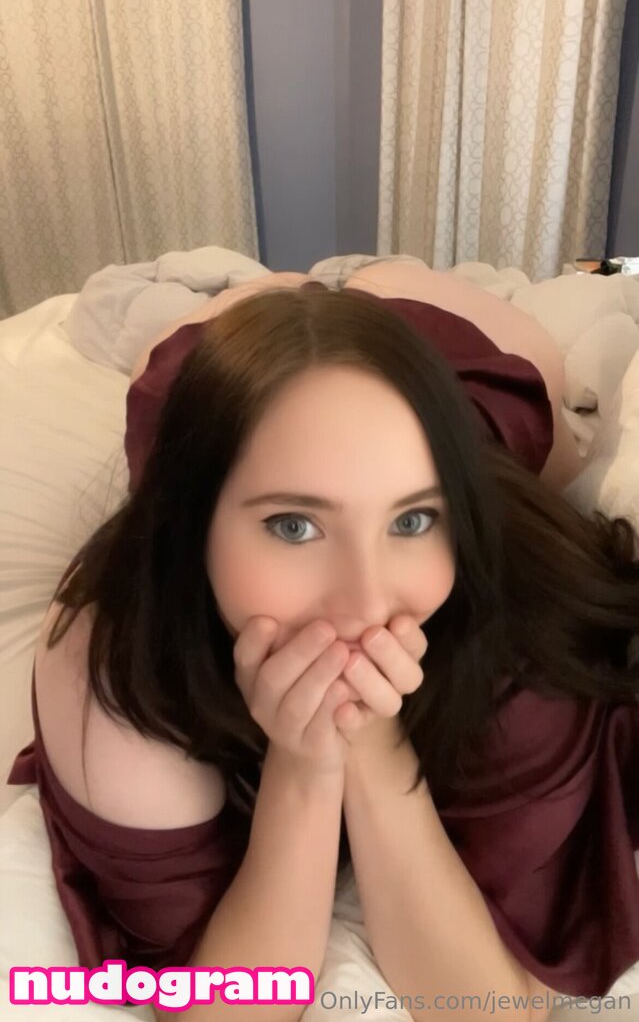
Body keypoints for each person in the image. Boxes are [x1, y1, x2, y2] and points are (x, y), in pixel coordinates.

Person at [8, 280, 639, 1022]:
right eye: (293, 527)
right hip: (212, 389)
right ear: (194, 529)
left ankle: (368, 286)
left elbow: (489, 1010)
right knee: (174, 357)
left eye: (412, 521)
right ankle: (255, 295)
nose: (365, 605)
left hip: (461, 385)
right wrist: (302, 771)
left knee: (544, 403)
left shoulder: (510, 604)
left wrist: (371, 746)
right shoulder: (111, 650)